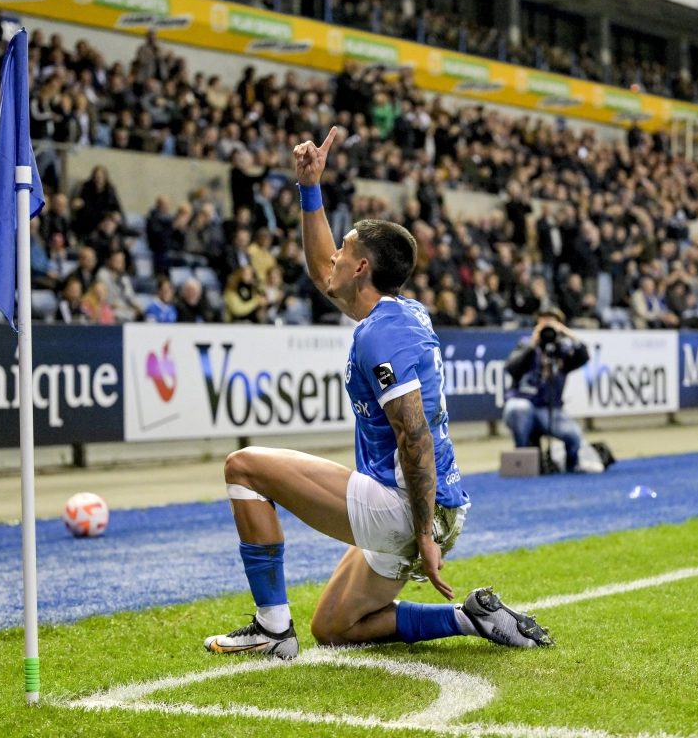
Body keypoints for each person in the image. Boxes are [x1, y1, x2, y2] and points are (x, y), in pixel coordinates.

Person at [203, 127, 552, 660]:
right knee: (335, 628)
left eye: (345, 249)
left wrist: (423, 535)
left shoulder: (379, 333)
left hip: (409, 506)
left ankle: (272, 630)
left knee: (244, 466)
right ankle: (470, 616)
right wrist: (310, 190)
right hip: (436, 505)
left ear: (363, 267)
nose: (335, 258)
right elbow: (324, 272)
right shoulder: (400, 313)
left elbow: (413, 436)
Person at [502, 308, 605, 473]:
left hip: (549, 409)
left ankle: (572, 466)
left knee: (574, 435)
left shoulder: (562, 349)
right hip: (524, 403)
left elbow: (583, 357)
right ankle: (522, 461)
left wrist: (568, 334)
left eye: (552, 322)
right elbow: (512, 368)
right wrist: (533, 345)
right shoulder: (525, 344)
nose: (547, 325)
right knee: (518, 409)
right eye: (543, 321)